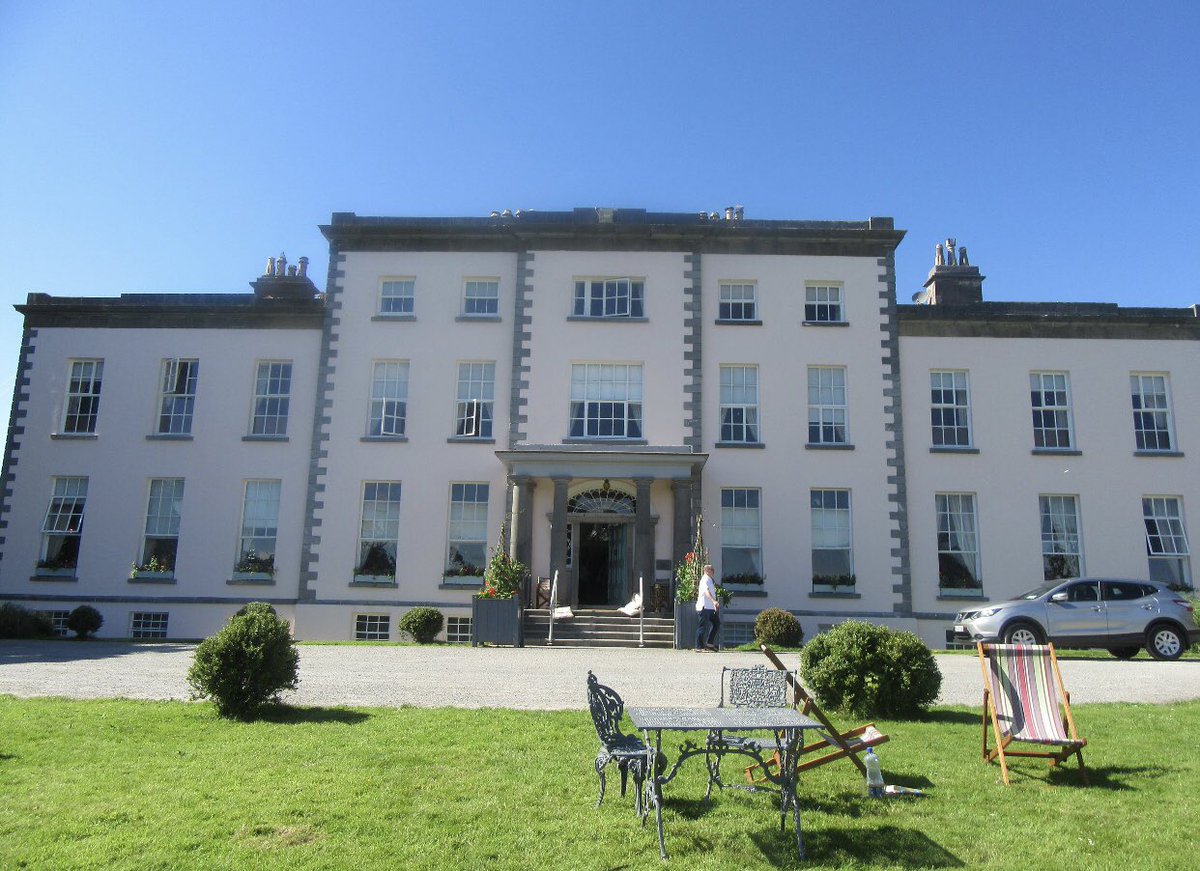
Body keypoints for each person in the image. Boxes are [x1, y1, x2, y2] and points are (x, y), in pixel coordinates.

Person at [694, 564, 720, 651]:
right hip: (704, 607)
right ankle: (699, 646)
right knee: (702, 627)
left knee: (716, 623)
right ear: (706, 571)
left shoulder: (710, 580)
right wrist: (714, 601)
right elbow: (706, 592)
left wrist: (714, 604)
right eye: (711, 569)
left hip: (710, 608)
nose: (713, 571)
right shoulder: (705, 579)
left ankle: (709, 643)